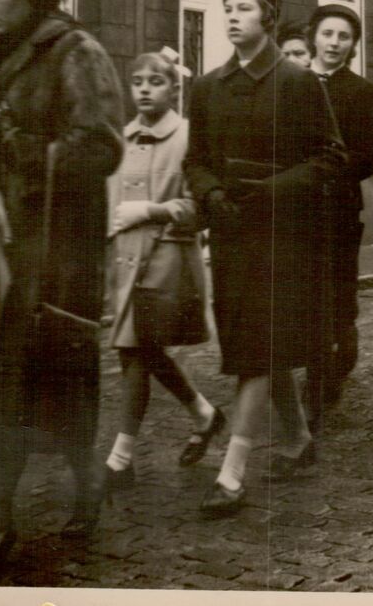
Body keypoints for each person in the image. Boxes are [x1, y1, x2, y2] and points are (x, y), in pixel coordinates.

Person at [0, 0, 124, 584]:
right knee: (5, 380)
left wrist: (24, 150)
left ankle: (3, 512)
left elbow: (102, 145)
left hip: (58, 249)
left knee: (47, 375)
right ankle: (55, 492)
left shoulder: (75, 50)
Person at [184, 0, 340, 516]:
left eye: (243, 8)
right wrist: (211, 194)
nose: (232, 16)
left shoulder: (298, 82)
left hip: (282, 235)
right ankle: (297, 441)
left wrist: (272, 189)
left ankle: (232, 473)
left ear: (268, 17)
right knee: (258, 344)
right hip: (230, 231)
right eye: (227, 8)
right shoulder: (205, 88)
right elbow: (194, 159)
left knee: (255, 348)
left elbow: (329, 158)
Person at [100, 50, 224, 496]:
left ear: (175, 89)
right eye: (137, 81)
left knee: (137, 351)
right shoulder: (122, 137)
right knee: (139, 351)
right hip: (125, 261)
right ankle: (203, 413)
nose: (145, 89)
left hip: (167, 260)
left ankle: (121, 457)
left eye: (156, 81)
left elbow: (199, 206)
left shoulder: (189, 137)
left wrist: (149, 210)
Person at [305, 3, 373, 419]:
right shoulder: (293, 83)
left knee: (336, 287)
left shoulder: (362, 92)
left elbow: (369, 155)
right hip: (296, 206)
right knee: (303, 289)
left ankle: (334, 359)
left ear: (352, 45)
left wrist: (338, 167)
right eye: (327, 34)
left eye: (343, 37)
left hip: (337, 204)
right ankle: (313, 368)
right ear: (313, 37)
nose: (334, 43)